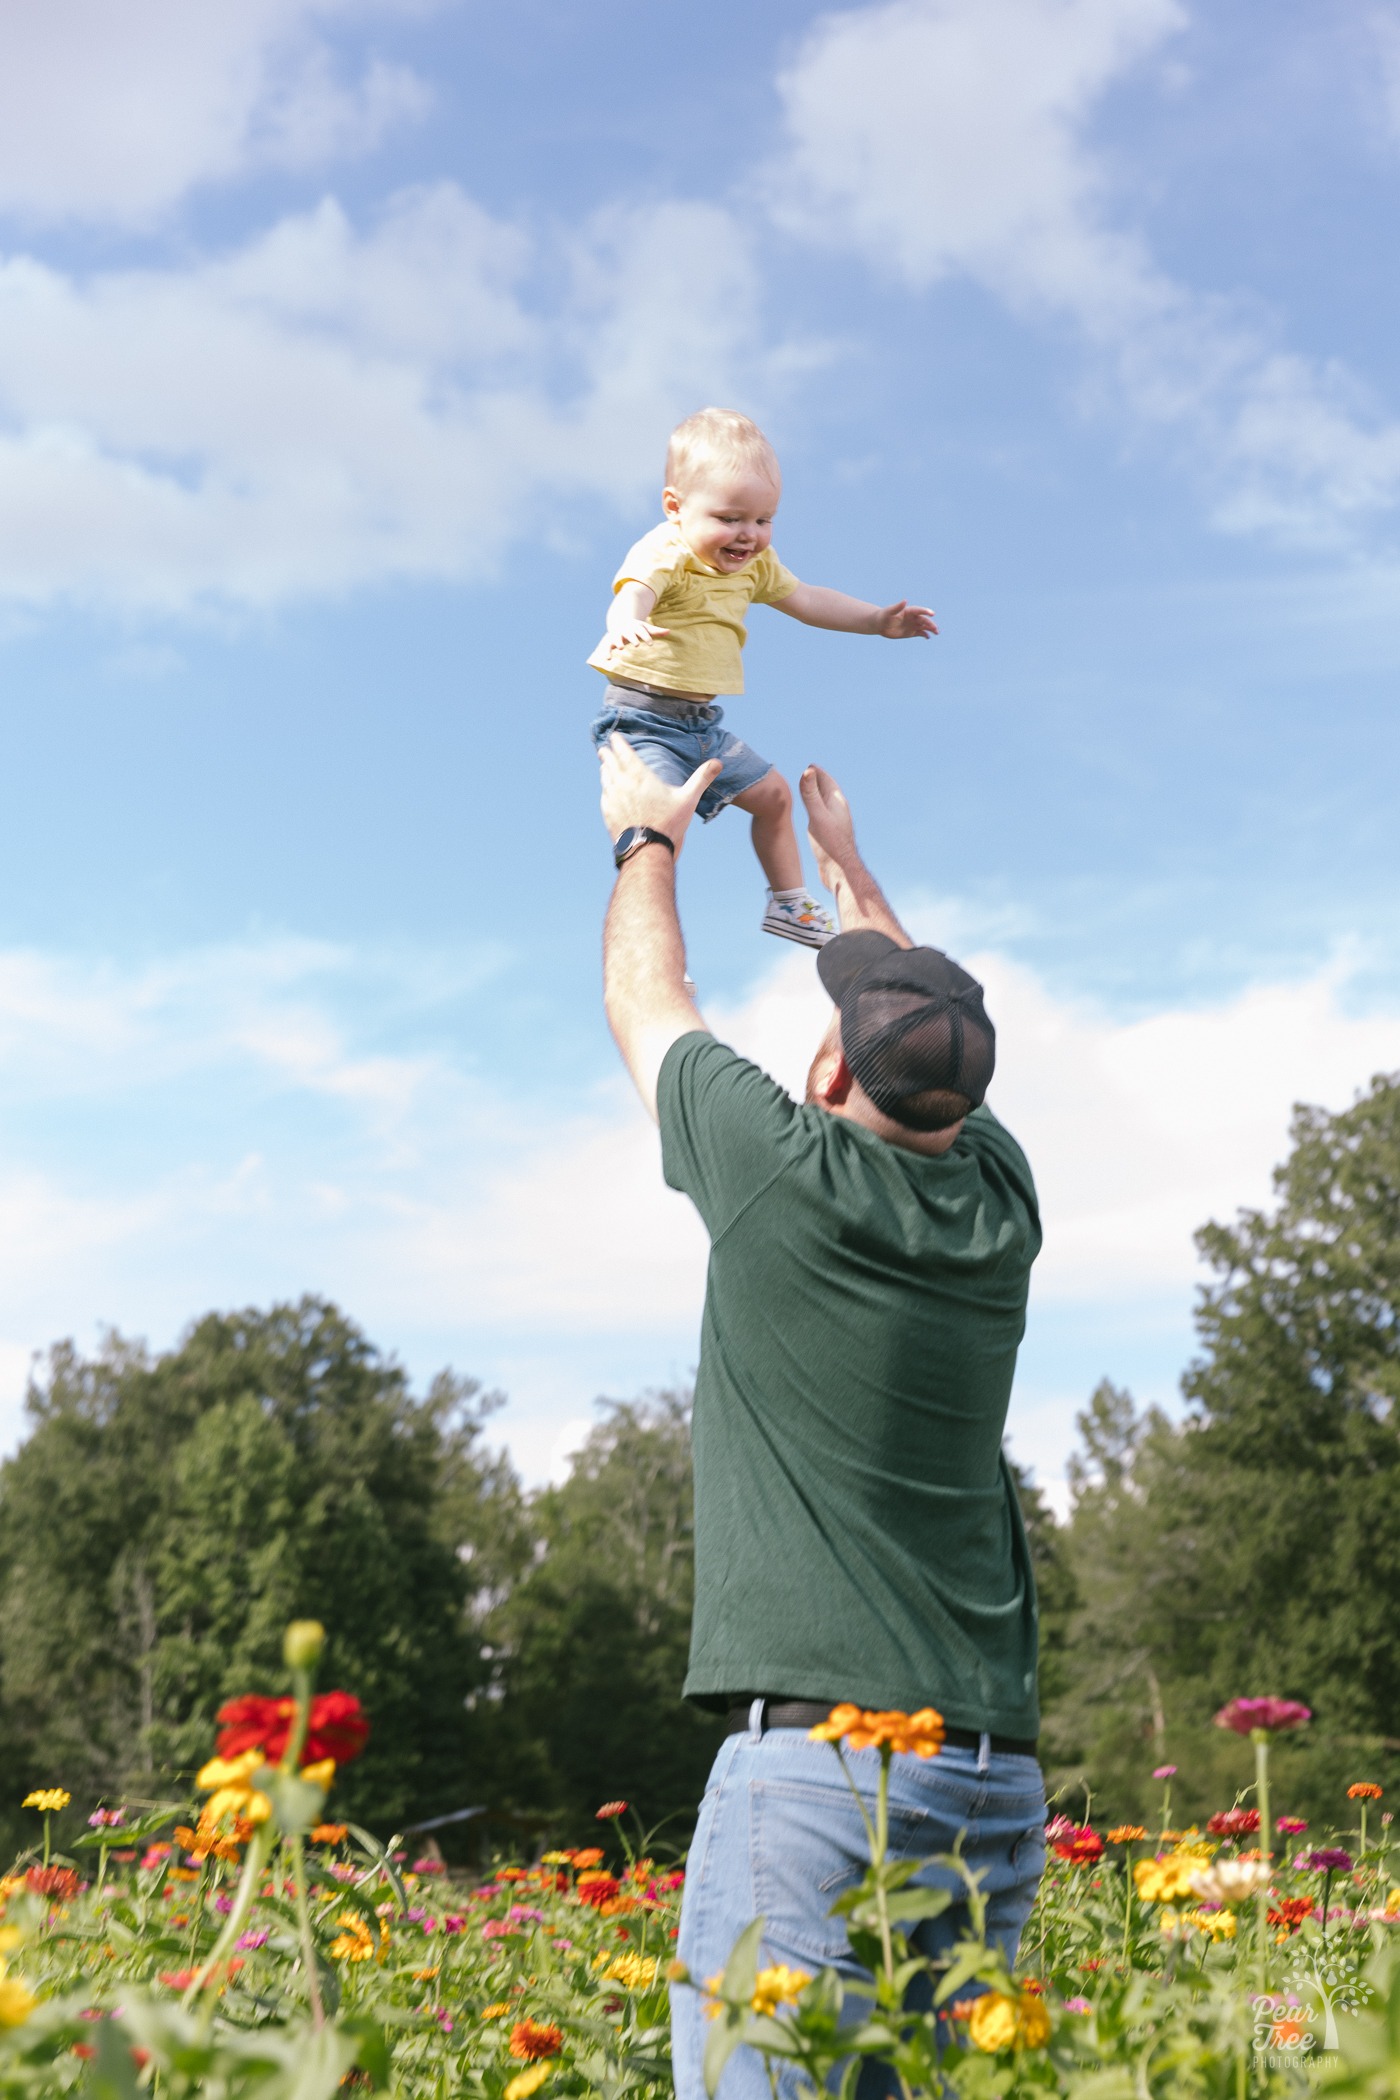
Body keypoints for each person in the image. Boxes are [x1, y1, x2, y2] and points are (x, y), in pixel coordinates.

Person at [598, 735, 1047, 2100]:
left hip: (823, 1783)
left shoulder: (780, 1176)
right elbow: (923, 1027)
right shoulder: (999, 1202)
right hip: (994, 1789)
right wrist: (846, 874)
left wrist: (646, 837)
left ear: (828, 1073)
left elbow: (645, 993)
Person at [588, 407, 937, 949]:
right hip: (643, 720)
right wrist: (627, 624)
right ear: (675, 508)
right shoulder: (666, 549)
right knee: (660, 829)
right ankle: (655, 943)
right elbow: (635, 590)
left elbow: (807, 599)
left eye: (763, 519)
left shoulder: (754, 564)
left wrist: (875, 621)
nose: (748, 535)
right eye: (730, 518)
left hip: (703, 723)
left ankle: (788, 904)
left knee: (774, 797)